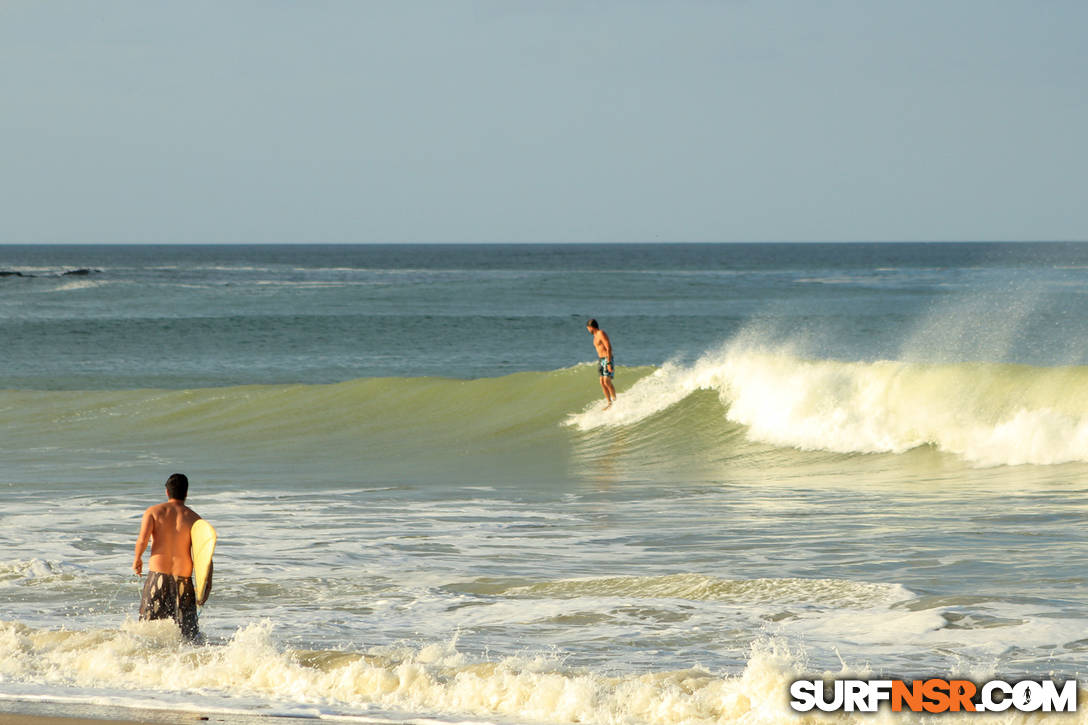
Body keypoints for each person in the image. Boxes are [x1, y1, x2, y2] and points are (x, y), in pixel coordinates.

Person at [133, 473, 202, 642]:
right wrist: (205, 584)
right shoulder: (195, 519)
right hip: (183, 581)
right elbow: (202, 554)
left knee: (146, 630)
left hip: (158, 575)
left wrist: (137, 559)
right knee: (188, 635)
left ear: (166, 492)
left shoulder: (154, 512)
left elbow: (143, 539)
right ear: (186, 493)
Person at [586, 319, 617, 408]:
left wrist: (609, 362)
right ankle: (609, 403)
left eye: (588, 328)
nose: (588, 330)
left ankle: (615, 400)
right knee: (602, 383)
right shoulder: (595, 336)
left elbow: (609, 347)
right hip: (601, 360)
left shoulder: (601, 333)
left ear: (591, 327)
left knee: (607, 381)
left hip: (607, 358)